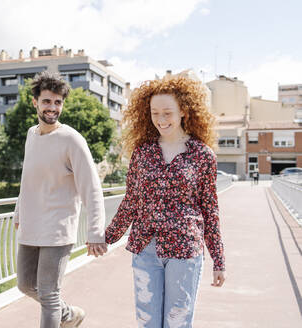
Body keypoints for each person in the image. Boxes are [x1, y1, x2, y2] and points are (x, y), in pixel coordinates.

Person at [105, 73, 226, 328]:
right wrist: (106, 237)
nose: (161, 120)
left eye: (167, 113)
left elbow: (210, 211)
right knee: (147, 323)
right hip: (145, 249)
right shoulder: (142, 153)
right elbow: (131, 201)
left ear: (183, 111)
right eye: (155, 113)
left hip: (185, 250)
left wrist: (218, 259)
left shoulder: (203, 155)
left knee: (177, 323)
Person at [14, 71, 108, 328]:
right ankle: (69, 315)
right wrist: (18, 212)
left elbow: (91, 188)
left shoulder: (72, 140)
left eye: (57, 102)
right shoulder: (31, 135)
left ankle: (60, 313)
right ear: (35, 102)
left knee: (48, 294)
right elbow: (27, 178)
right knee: (24, 284)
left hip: (57, 229)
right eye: (47, 101)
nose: (52, 108)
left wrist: (95, 231)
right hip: (31, 226)